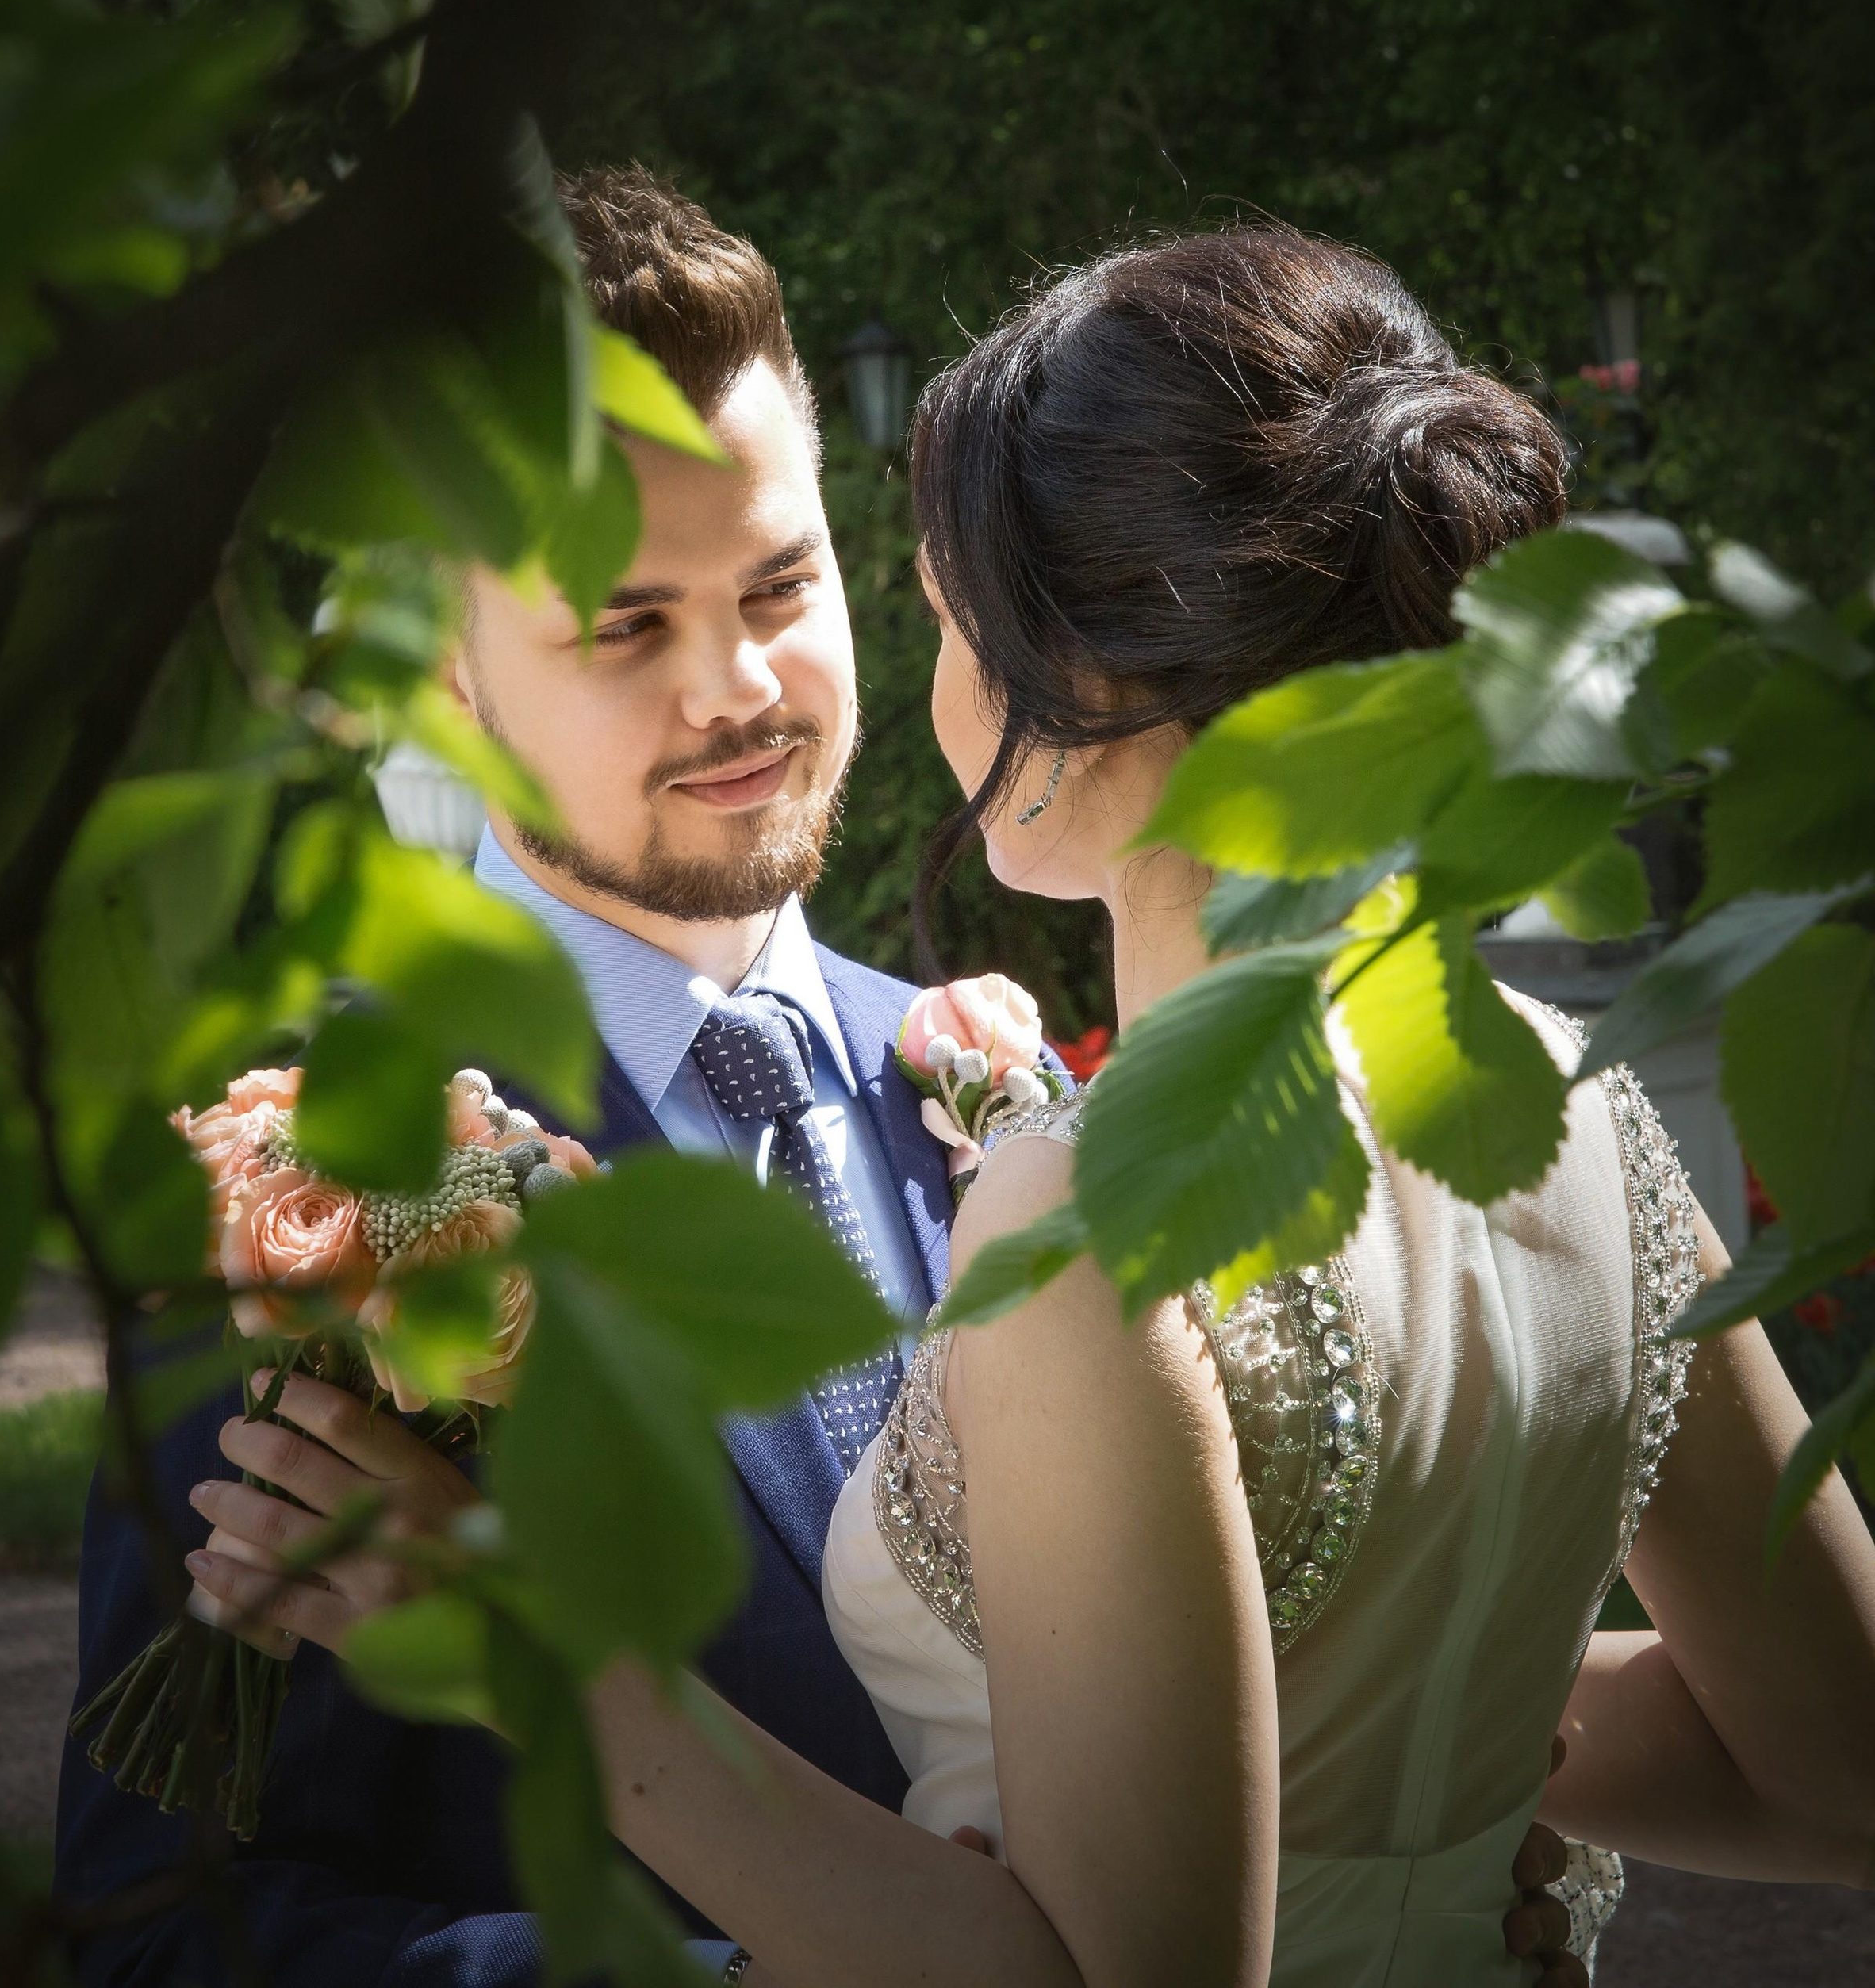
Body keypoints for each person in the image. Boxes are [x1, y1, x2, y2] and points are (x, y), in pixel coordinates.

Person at [81, 183, 1605, 1983]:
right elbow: (159, 1925)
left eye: (780, 585)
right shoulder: (303, 1191)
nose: (736, 688)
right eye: (622, 624)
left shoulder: (992, 1073)